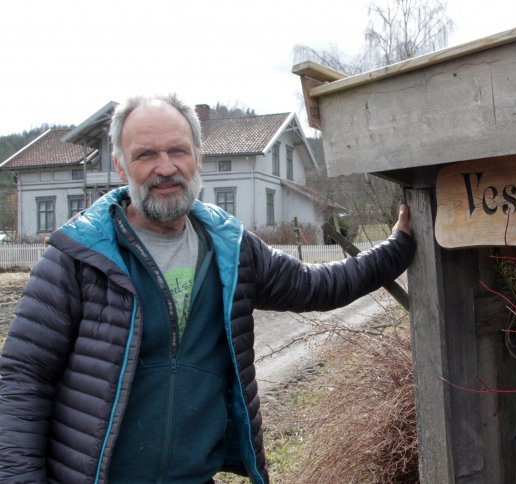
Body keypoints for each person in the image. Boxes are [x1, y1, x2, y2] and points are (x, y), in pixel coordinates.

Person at [0, 94, 415, 483]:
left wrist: (398, 247)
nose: (165, 167)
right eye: (146, 154)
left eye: (177, 151)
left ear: (198, 157)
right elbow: (22, 380)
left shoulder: (230, 247)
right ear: (121, 167)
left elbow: (318, 286)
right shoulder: (77, 255)